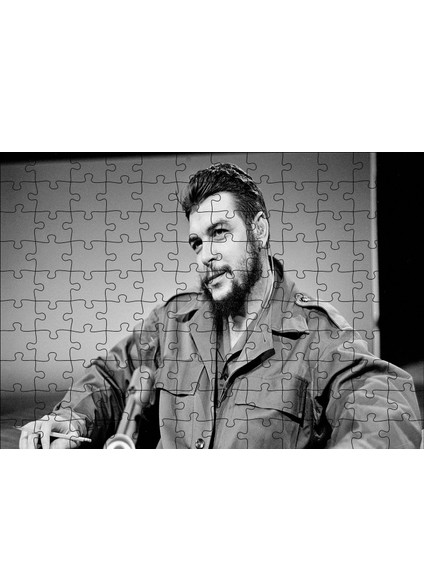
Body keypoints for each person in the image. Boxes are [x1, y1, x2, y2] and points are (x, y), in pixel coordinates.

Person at [19, 163, 422, 449]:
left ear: (259, 231)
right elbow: (109, 379)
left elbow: (385, 411)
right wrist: (70, 418)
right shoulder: (171, 322)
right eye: (197, 242)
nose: (205, 255)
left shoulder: (318, 337)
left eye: (220, 233)